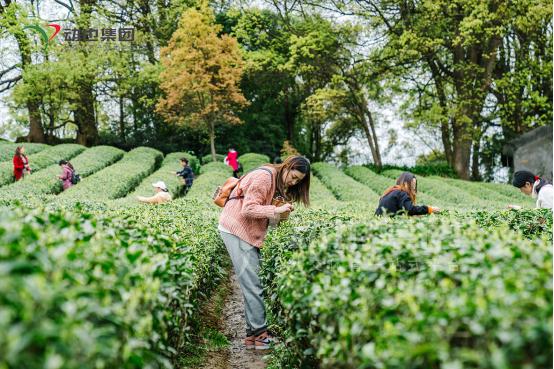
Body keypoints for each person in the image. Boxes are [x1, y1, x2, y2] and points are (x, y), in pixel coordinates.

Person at [218, 156, 311, 350]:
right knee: (253, 284)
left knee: (252, 281)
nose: (293, 182)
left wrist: (281, 213)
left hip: (247, 232)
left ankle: (252, 336)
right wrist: (276, 210)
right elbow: (248, 209)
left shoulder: (277, 182)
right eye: (293, 177)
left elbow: (266, 214)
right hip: (236, 229)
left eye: (297, 181)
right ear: (287, 166)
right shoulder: (264, 177)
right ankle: (260, 335)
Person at [375, 172, 440, 216]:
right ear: (405, 183)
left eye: (415, 185)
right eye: (412, 184)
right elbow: (410, 209)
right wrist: (429, 209)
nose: (414, 187)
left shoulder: (392, 191)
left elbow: (402, 210)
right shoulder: (401, 193)